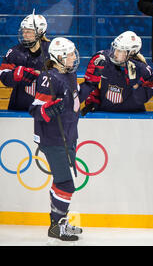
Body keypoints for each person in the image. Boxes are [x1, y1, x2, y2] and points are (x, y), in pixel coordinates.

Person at [28, 37, 96, 243]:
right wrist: (47, 109)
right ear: (57, 58)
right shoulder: (50, 78)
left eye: (74, 53)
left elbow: (74, 99)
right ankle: (56, 226)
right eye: (69, 54)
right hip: (53, 138)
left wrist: (92, 83)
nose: (74, 57)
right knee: (66, 184)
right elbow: (35, 109)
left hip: (68, 135)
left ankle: (60, 221)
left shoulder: (70, 74)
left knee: (62, 182)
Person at [81, 31, 153, 114]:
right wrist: (92, 102)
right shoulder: (102, 59)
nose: (115, 53)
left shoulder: (144, 70)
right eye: (115, 48)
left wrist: (135, 84)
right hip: (105, 114)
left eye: (120, 50)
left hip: (133, 117)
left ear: (131, 53)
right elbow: (91, 84)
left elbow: (142, 99)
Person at [0, 13, 50, 110]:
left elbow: (63, 77)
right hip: (19, 105)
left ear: (40, 32)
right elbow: (3, 75)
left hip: (45, 108)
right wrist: (14, 75)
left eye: (29, 31)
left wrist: (42, 75)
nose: (24, 34)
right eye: (23, 31)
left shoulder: (52, 51)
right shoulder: (15, 52)